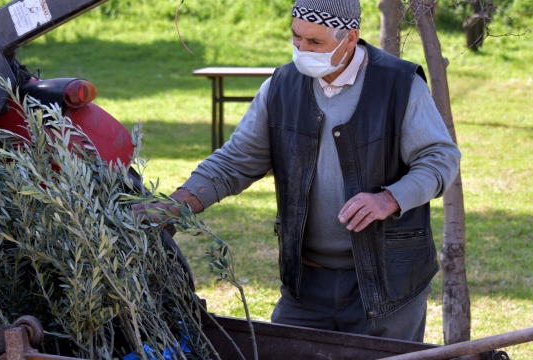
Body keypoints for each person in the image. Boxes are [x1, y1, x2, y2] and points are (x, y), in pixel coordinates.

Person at [135, 0, 461, 342]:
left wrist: (390, 199)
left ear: (350, 39)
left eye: (315, 42)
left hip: (387, 283)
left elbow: (440, 158)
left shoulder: (399, 84)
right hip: (306, 284)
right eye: (296, 37)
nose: (301, 49)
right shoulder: (282, 86)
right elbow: (234, 162)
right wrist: (175, 207)